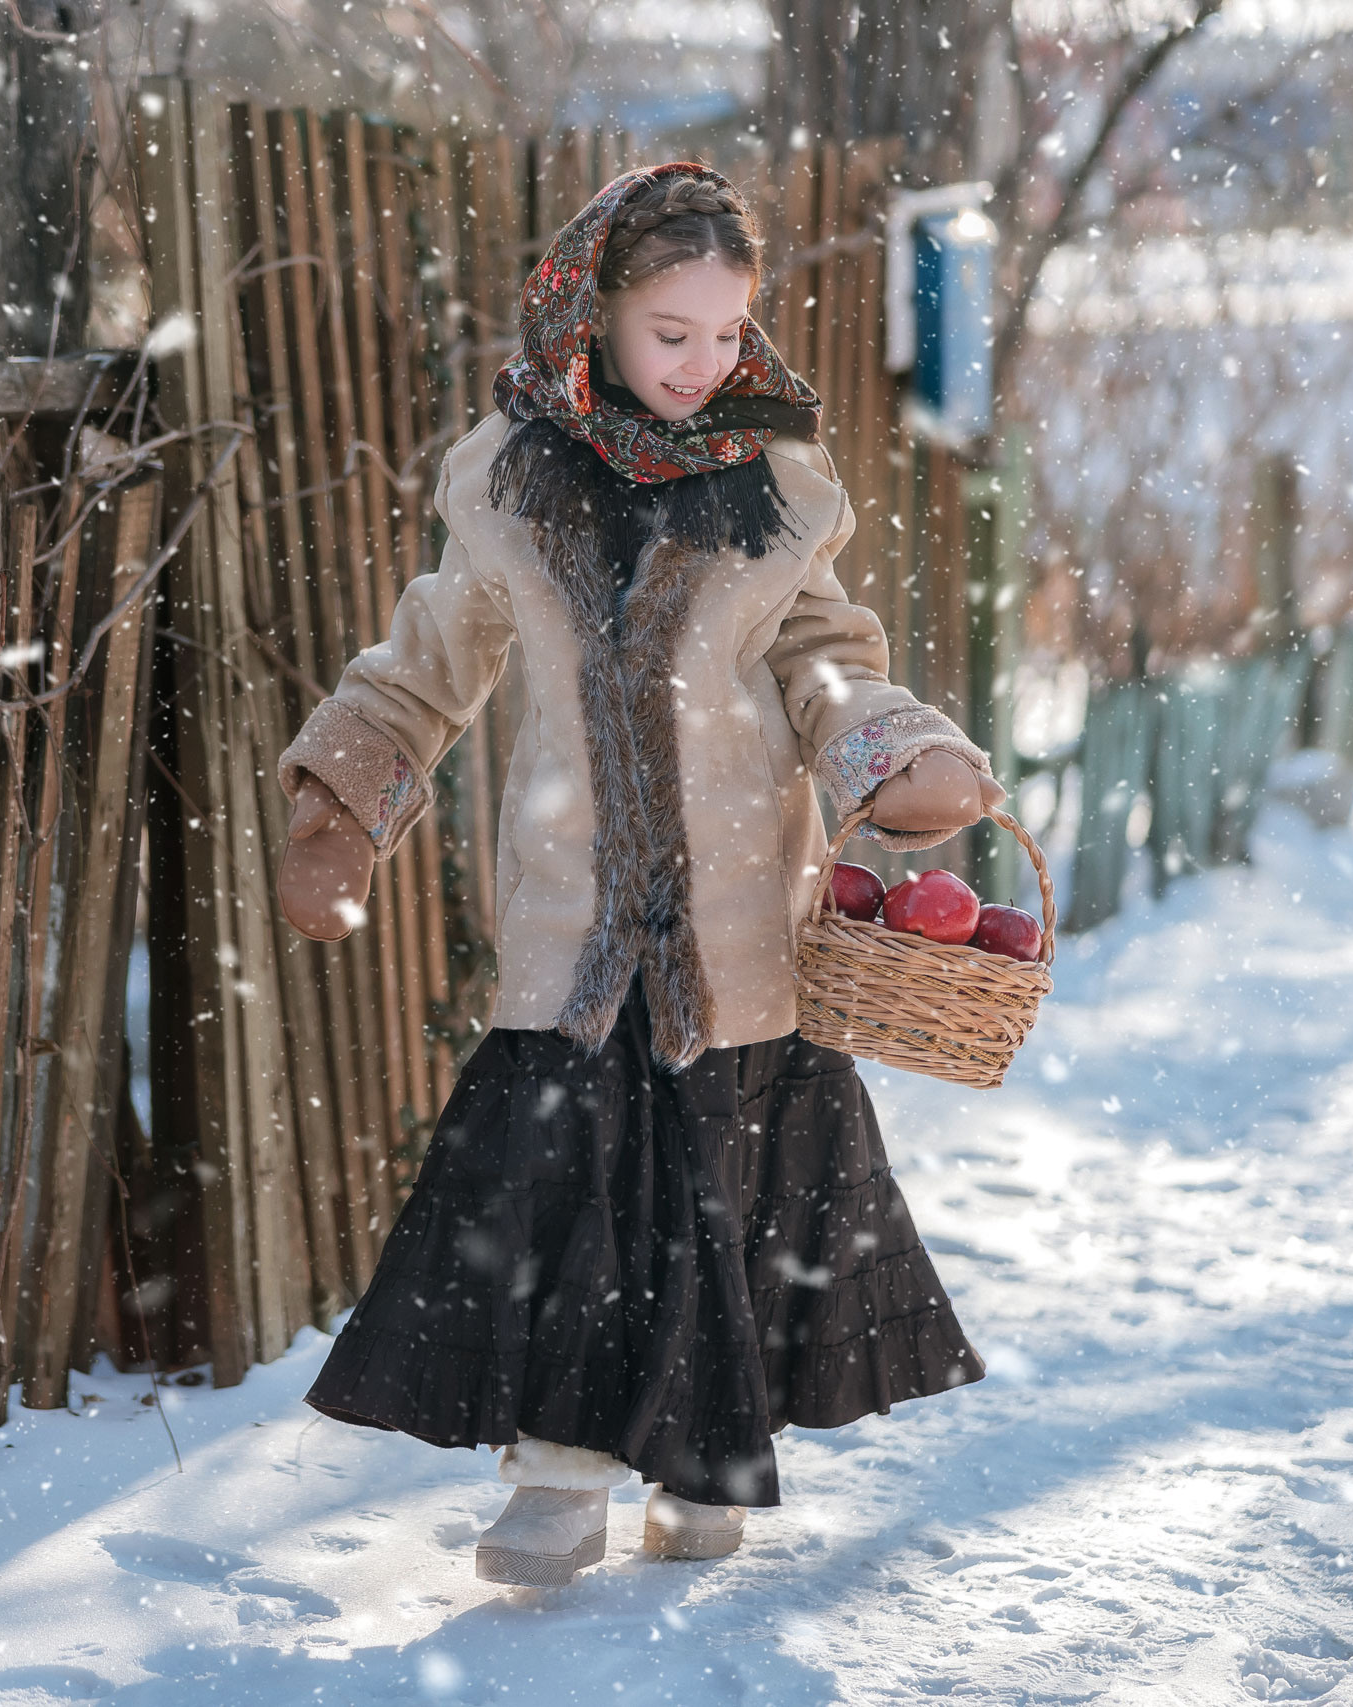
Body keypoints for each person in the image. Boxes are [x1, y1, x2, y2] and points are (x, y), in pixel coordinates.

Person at [272, 162, 999, 1589]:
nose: (704, 364)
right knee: (576, 1190)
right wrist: (342, 809)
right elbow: (430, 662)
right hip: (572, 917)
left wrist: (890, 746)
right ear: (592, 310)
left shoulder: (777, 479)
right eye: (672, 332)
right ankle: (556, 1480)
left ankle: (705, 1460)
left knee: (715, 1196)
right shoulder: (508, 477)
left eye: (726, 334)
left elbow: (821, 654)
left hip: (737, 917)